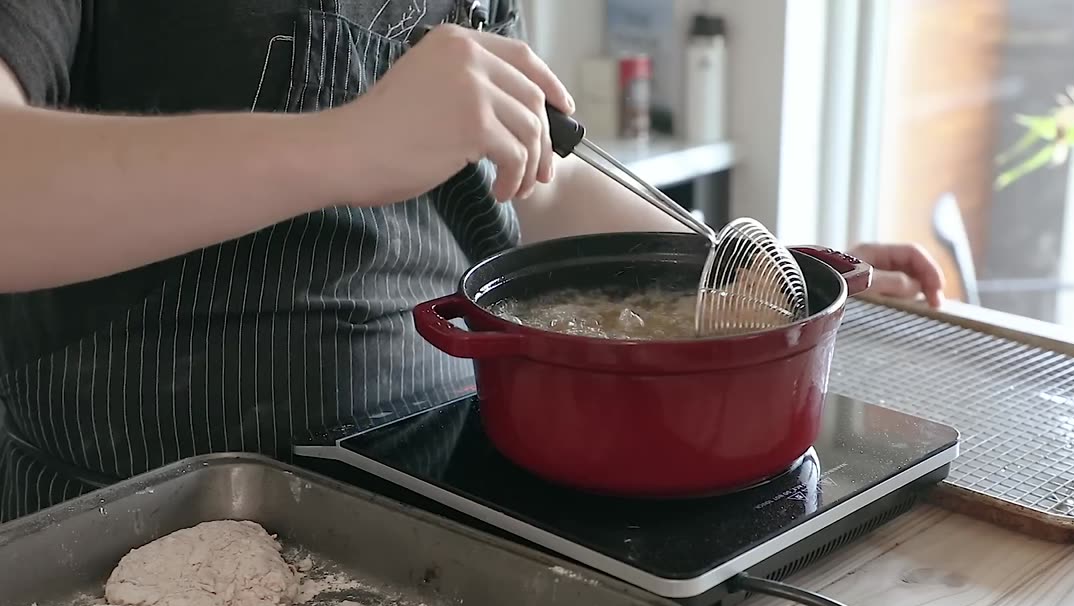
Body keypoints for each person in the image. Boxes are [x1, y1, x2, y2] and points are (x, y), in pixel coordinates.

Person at [0, 0, 945, 522]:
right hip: (134, 529)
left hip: (443, 501)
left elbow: (531, 177)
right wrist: (346, 145)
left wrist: (733, 279)